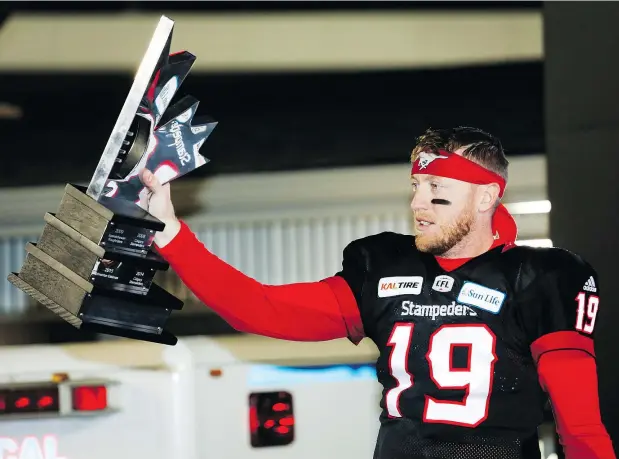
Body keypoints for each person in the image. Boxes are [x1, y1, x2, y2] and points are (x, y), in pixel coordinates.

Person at [139, 126, 615, 459]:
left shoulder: (541, 276)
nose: (417, 203)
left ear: (486, 196)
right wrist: (170, 233)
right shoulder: (384, 265)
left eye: (435, 187)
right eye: (414, 186)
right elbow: (261, 310)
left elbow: (580, 425)